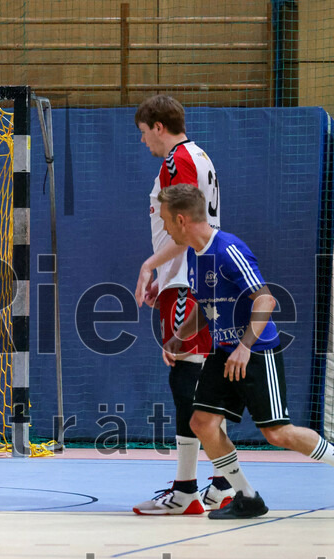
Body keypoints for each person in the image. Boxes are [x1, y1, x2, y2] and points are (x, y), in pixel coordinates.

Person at [157, 184, 334, 519]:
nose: (164, 228)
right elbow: (206, 307)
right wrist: (179, 337)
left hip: (255, 351)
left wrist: (244, 347)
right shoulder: (195, 254)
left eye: (165, 221)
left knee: (277, 433)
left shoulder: (228, 249)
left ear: (181, 220)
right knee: (202, 422)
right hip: (225, 351)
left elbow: (266, 299)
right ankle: (247, 496)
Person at [130, 95, 234, 515]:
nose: (143, 143)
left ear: (158, 126)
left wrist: (152, 266)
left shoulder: (177, 161)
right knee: (202, 377)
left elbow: (188, 226)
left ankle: (186, 490)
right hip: (195, 273)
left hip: (187, 275)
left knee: (185, 378)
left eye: (143, 133)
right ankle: (222, 483)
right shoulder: (201, 155)